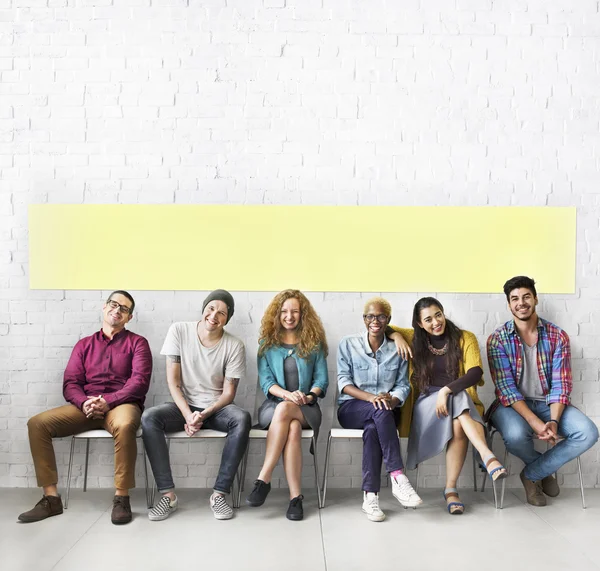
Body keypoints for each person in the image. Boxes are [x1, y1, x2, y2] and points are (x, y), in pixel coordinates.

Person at [19, 291, 152, 525]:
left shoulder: (138, 343)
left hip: (121, 404)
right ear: (104, 307)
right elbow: (71, 383)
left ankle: (122, 498)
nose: (117, 310)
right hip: (86, 406)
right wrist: (84, 402)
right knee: (37, 424)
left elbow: (139, 383)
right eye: (114, 304)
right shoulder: (84, 345)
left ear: (129, 317)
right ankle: (51, 499)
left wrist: (108, 401)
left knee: (125, 424)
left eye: (124, 308)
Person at [487, 276, 599, 506]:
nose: (521, 302)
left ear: (535, 299)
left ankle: (531, 474)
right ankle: (544, 470)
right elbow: (506, 389)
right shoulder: (497, 340)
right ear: (509, 305)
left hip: (550, 403)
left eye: (526, 296)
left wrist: (554, 421)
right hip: (511, 405)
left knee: (588, 433)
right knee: (516, 436)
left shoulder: (558, 336)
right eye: (515, 299)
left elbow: (561, 384)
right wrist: (536, 423)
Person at [389, 297, 507, 515]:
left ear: (443, 313)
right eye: (428, 319)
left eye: (438, 315)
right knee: (459, 398)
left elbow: (475, 373)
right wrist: (396, 336)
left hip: (456, 401)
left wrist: (446, 390)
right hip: (427, 405)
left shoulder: (465, 338)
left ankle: (451, 490)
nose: (435, 322)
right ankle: (486, 456)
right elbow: (383, 325)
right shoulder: (414, 338)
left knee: (458, 419)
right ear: (420, 323)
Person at [142, 290, 250, 521]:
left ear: (227, 319)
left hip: (216, 408)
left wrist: (202, 415)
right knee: (150, 417)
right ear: (203, 309)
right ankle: (168, 495)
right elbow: (173, 382)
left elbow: (229, 393)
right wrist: (188, 414)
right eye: (211, 308)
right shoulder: (179, 331)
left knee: (242, 418)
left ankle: (219, 495)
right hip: (184, 405)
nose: (214, 315)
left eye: (222, 313)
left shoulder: (234, 345)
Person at [246, 290, 328, 521]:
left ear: (303, 315)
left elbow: (322, 380)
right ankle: (295, 498)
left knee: (287, 412)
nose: (289, 316)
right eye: (284, 311)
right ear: (277, 314)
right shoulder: (267, 344)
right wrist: (286, 395)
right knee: (290, 426)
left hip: (307, 408)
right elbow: (266, 381)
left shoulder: (314, 343)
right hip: (274, 405)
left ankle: (264, 478)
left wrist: (308, 397)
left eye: (294, 311)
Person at [337, 297, 420, 522]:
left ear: (388, 319)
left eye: (381, 316)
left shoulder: (398, 348)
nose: (375, 320)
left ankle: (370, 497)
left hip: (385, 410)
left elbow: (403, 384)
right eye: (370, 316)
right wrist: (372, 398)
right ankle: (397, 475)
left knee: (374, 426)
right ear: (364, 319)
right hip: (351, 408)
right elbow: (344, 383)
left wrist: (393, 399)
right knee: (379, 411)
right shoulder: (348, 343)